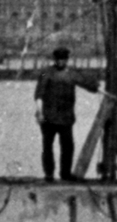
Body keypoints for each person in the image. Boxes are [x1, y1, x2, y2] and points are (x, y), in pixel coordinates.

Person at [33, 46, 99, 182]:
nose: (61, 62)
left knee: (68, 146)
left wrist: (94, 85)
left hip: (66, 117)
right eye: (58, 59)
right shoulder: (46, 73)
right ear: (55, 59)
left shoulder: (72, 73)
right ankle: (49, 174)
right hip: (48, 117)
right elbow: (39, 94)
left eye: (63, 59)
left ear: (67, 60)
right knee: (47, 146)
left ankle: (65, 173)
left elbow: (88, 85)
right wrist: (39, 112)